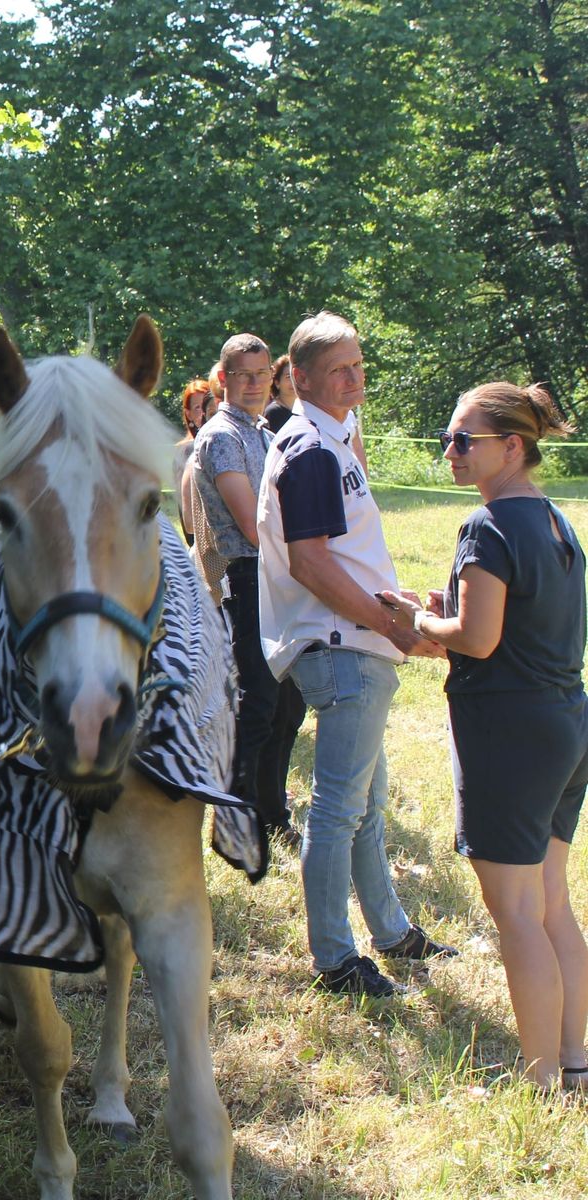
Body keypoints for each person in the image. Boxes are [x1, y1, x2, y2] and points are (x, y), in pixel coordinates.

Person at [378, 383, 588, 1088]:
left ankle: (538, 1084)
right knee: (551, 903)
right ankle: (574, 1064)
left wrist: (416, 622)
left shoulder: (487, 526)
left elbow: (477, 636)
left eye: (463, 438)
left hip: (510, 736)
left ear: (512, 447)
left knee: (518, 916)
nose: (449, 450)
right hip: (565, 724)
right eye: (448, 436)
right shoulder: (556, 521)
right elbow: (518, 624)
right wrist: (446, 611)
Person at [256, 311, 455, 999]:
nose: (354, 376)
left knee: (366, 804)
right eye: (338, 367)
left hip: (352, 642)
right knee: (340, 810)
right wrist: (391, 622)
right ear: (301, 377)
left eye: (358, 362)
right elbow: (312, 566)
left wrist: (396, 604)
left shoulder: (330, 442)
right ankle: (336, 961)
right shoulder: (311, 449)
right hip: (343, 649)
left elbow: (340, 557)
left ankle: (392, 932)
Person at [192, 333, 297, 847]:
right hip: (252, 573)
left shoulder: (265, 431)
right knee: (258, 703)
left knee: (288, 703)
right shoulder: (219, 437)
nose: (255, 384)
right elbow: (253, 525)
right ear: (224, 379)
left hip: (283, 574)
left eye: (262, 374)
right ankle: (233, 821)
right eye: (244, 375)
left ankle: (273, 815)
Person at [176, 376, 220, 549]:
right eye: (197, 407)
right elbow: (188, 520)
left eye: (207, 407)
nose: (203, 413)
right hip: (205, 547)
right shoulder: (188, 451)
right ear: (188, 414)